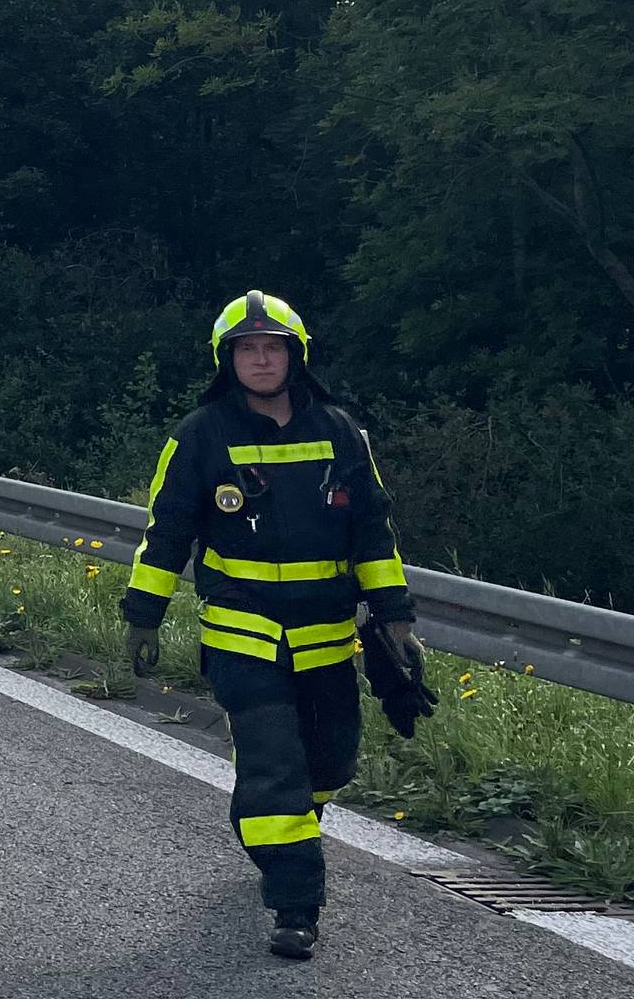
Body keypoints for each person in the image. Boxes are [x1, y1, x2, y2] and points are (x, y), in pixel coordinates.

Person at [122, 290, 422, 961]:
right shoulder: (199, 434)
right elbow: (165, 531)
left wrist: (396, 619)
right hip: (243, 635)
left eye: (273, 347)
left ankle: (282, 826)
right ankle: (295, 906)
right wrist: (144, 615)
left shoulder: (341, 432)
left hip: (327, 640)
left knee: (329, 764)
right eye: (248, 349)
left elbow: (373, 532)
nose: (261, 358)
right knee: (274, 769)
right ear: (228, 361)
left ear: (295, 355)